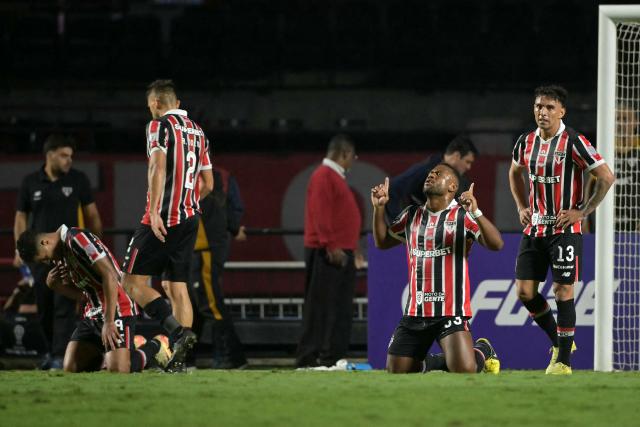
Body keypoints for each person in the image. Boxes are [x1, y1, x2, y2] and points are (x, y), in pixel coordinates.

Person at [508, 85, 615, 375]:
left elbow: (606, 176)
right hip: (534, 228)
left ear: (562, 111)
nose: (542, 112)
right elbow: (514, 172)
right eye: (538, 106)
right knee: (525, 292)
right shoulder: (525, 142)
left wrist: (583, 211)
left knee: (563, 289)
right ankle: (560, 341)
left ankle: (564, 362)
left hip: (565, 228)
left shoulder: (574, 141)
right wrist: (520, 206)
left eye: (549, 107)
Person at [371, 164, 503, 374]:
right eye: (430, 173)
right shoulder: (410, 215)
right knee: (397, 371)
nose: (431, 175)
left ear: (452, 186)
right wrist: (379, 208)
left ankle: (482, 350)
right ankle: (435, 362)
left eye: (438, 174)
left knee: (464, 370)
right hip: (416, 311)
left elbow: (497, 244)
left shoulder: (463, 216)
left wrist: (476, 211)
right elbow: (382, 242)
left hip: (450, 312)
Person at [120, 79, 214, 372]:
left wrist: (157, 210)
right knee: (177, 286)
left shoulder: (158, 126)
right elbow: (209, 184)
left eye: (150, 106)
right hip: (190, 218)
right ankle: (179, 361)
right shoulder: (199, 133)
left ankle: (177, 332)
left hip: (162, 218)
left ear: (158, 103)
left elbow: (157, 166)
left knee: (130, 283)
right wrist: (186, 201)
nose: (150, 111)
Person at [15, 226, 172, 373]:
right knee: (72, 367)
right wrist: (56, 286)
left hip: (116, 306)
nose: (48, 262)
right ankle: (122, 349)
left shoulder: (77, 239)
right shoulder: (62, 257)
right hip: (93, 312)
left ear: (45, 242)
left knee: (119, 369)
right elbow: (84, 295)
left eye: (44, 258)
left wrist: (109, 321)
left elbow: (109, 275)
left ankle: (156, 346)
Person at [13, 134, 103, 369]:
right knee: (44, 308)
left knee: (64, 306)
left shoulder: (78, 180)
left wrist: (95, 247)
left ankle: (58, 355)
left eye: (71, 156)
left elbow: (92, 215)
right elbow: (20, 218)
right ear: (49, 155)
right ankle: (50, 352)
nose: (68, 161)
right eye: (64, 155)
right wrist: (19, 250)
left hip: (68, 255)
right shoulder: (30, 182)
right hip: (39, 257)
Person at [296, 134, 361, 368]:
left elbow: (337, 216)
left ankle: (331, 358)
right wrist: (330, 245)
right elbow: (320, 212)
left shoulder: (333, 177)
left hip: (339, 250)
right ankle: (309, 358)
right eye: (352, 157)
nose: (353, 161)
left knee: (338, 308)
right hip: (328, 252)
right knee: (320, 308)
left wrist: (353, 248)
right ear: (344, 154)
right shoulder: (324, 176)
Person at [190, 166, 247, 369]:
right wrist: (233, 227)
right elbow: (235, 208)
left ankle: (232, 358)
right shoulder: (224, 175)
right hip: (204, 248)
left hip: (203, 248)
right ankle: (188, 358)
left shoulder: (193, 176)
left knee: (209, 304)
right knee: (196, 305)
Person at [385, 134, 478, 221]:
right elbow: (393, 188)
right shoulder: (426, 170)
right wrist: (398, 226)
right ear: (457, 155)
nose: (468, 167)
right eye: (467, 161)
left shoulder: (464, 181)